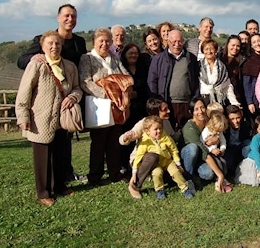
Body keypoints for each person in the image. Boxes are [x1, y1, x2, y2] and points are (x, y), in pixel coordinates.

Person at [17, 3, 87, 183]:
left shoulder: (79, 42)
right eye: (66, 16)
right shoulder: (44, 39)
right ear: (58, 18)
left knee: (65, 140)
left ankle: (65, 174)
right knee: (47, 144)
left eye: (73, 16)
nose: (70, 19)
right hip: (46, 100)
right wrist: (35, 57)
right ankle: (50, 182)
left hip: (69, 97)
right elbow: (21, 60)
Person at [16, 30, 83, 206]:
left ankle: (59, 186)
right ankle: (44, 192)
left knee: (60, 155)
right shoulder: (36, 65)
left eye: (57, 44)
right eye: (50, 44)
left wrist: (72, 97)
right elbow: (24, 92)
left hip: (62, 119)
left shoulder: (69, 66)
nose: (54, 47)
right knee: (43, 158)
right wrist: (23, 116)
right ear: (43, 46)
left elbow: (77, 88)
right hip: (40, 119)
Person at [79, 27, 132, 186]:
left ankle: (114, 173)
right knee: (98, 143)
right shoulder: (87, 59)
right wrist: (108, 93)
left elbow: (126, 77)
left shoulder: (114, 59)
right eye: (101, 40)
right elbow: (85, 81)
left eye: (107, 41)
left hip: (116, 107)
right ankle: (95, 175)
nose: (104, 44)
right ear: (94, 42)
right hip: (99, 106)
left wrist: (125, 93)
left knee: (114, 141)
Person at [129, 116, 194, 199]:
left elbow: (173, 150)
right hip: (157, 164)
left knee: (175, 172)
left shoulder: (166, 137)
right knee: (156, 173)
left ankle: (185, 188)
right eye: (155, 129)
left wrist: (178, 163)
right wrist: (134, 173)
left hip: (167, 161)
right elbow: (138, 157)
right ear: (147, 131)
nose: (159, 131)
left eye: (160, 128)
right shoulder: (145, 141)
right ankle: (159, 190)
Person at [148, 29, 200, 130]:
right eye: (174, 42)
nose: (177, 44)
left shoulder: (191, 58)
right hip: (166, 104)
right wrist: (156, 104)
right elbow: (152, 82)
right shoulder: (158, 59)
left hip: (186, 104)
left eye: (180, 41)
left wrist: (194, 101)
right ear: (168, 41)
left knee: (185, 135)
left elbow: (196, 81)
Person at [180, 98, 230, 192]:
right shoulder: (189, 128)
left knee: (209, 173)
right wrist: (220, 174)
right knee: (193, 148)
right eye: (196, 109)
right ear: (191, 112)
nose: (200, 111)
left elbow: (220, 133)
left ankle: (197, 174)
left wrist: (217, 140)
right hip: (190, 156)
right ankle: (188, 177)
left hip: (202, 157)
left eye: (202, 107)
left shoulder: (210, 121)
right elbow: (203, 150)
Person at [119, 43, 148, 174]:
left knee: (141, 135)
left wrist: (137, 93)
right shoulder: (122, 69)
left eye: (136, 53)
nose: (133, 55)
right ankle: (126, 164)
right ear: (124, 55)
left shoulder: (142, 68)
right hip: (128, 108)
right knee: (129, 135)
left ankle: (141, 162)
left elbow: (147, 85)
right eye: (130, 53)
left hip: (141, 107)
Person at [199, 39, 240, 106]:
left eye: (211, 49)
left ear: (216, 50)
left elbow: (227, 86)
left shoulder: (222, 67)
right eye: (206, 49)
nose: (209, 51)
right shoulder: (198, 66)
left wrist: (234, 102)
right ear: (203, 51)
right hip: (203, 99)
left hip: (219, 100)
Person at [199, 112, 233, 192]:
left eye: (220, 132)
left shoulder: (218, 132)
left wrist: (222, 149)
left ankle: (223, 177)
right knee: (219, 164)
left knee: (223, 162)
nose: (218, 133)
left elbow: (223, 141)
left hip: (217, 153)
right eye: (217, 131)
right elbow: (203, 145)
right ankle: (219, 181)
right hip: (208, 154)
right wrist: (211, 150)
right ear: (212, 125)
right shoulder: (206, 132)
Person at [234, 115, 260, 186]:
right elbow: (256, 154)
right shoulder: (256, 139)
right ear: (256, 129)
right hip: (253, 160)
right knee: (252, 176)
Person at [242, 33, 260, 117]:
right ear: (251, 45)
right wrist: (250, 102)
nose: (257, 44)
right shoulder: (249, 61)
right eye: (254, 42)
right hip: (255, 100)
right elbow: (247, 85)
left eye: (259, 41)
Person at [223, 105, 252, 177]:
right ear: (227, 118)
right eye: (232, 119)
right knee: (229, 163)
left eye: (238, 118)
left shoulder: (246, 125)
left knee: (249, 144)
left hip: (241, 145)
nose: (235, 121)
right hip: (229, 147)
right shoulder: (224, 128)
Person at [219, 35, 246, 105]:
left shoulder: (242, 60)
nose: (235, 48)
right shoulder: (219, 58)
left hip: (236, 95)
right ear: (227, 45)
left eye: (238, 46)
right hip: (221, 95)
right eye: (233, 45)